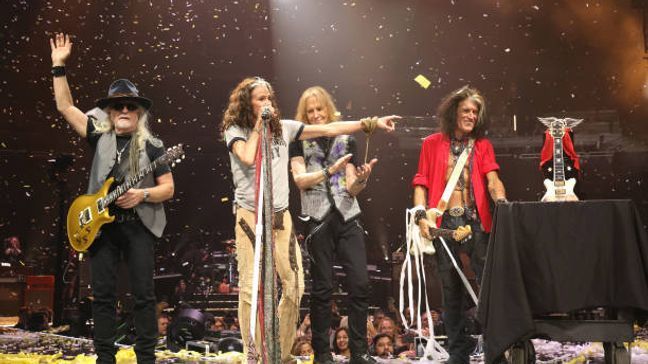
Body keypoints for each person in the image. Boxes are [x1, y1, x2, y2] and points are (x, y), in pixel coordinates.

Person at [221, 77, 397, 362]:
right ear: (246, 103)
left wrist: (371, 123)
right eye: (260, 99)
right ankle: (253, 354)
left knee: (294, 286)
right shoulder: (236, 129)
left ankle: (278, 351)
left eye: (269, 98)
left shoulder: (285, 129)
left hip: (281, 217)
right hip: (250, 217)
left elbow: (330, 128)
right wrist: (258, 125)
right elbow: (248, 156)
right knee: (252, 288)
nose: (267, 104)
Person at [50, 33, 174, 364]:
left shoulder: (154, 146)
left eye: (128, 105)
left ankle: (146, 358)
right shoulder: (98, 134)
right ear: (109, 111)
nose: (122, 109)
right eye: (116, 105)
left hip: (138, 226)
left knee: (144, 296)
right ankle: (105, 358)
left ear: (138, 112)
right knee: (102, 297)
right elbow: (65, 106)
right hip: (101, 228)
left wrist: (142, 194)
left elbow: (168, 188)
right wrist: (58, 66)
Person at [412, 86, 506, 364]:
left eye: (475, 112)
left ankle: (496, 349)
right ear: (453, 111)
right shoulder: (431, 143)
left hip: (475, 219)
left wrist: (501, 200)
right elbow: (421, 182)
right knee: (450, 289)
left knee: (488, 286)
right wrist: (421, 216)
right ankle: (457, 353)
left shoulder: (483, 145)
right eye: (466, 110)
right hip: (443, 222)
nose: (471, 116)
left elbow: (492, 179)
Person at [289, 86, 381, 364]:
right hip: (317, 220)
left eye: (320, 109)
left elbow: (352, 187)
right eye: (310, 111)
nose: (316, 115)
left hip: (348, 216)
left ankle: (359, 351)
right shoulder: (298, 141)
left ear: (329, 109)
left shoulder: (347, 139)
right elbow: (300, 180)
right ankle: (322, 353)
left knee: (360, 284)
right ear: (304, 115)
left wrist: (363, 178)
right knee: (322, 288)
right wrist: (329, 170)